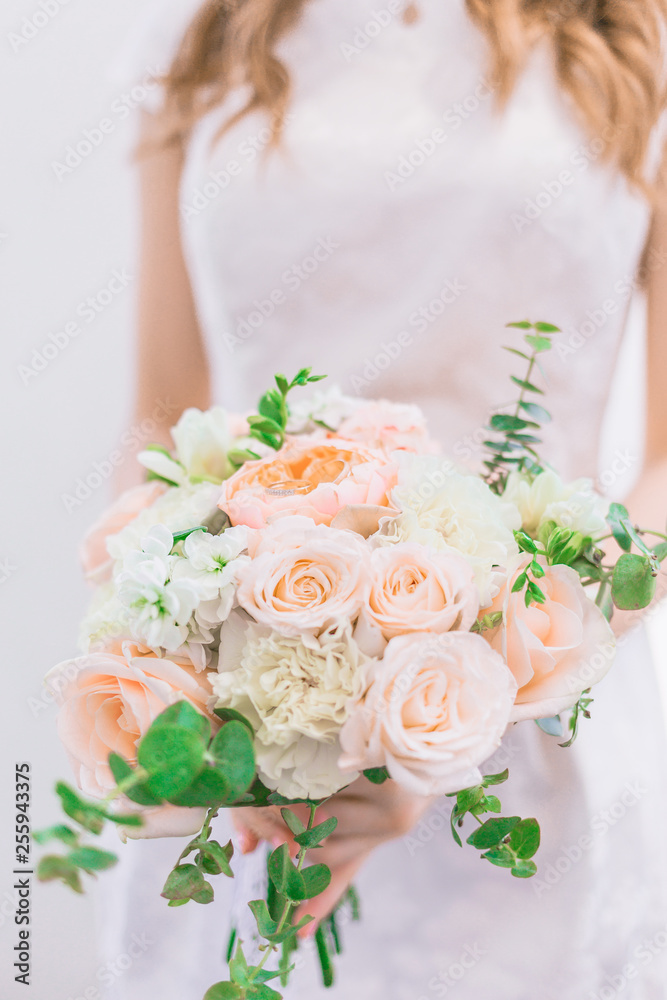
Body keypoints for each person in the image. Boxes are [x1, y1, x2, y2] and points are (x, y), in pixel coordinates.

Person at [99, 1, 667, 997]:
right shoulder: (199, 31)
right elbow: (159, 418)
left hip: (535, 745)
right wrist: (210, 687)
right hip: (248, 756)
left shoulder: (638, 33)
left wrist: (459, 693)